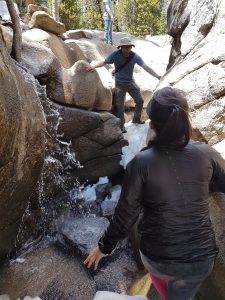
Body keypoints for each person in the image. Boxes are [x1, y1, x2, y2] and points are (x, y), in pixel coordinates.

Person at [84, 87, 225, 300]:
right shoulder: (206, 153)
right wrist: (201, 185)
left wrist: (103, 248)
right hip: (202, 260)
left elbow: (125, 216)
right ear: (185, 120)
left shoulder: (141, 163)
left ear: (152, 125)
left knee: (169, 286)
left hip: (160, 260)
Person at [87, 36, 161, 133]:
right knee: (120, 105)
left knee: (140, 100)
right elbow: (104, 62)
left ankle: (136, 119)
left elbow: (146, 67)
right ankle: (122, 126)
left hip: (130, 82)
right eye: (125, 47)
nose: (127, 49)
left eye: (129, 47)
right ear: (121, 47)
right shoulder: (115, 55)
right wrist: (93, 66)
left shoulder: (134, 56)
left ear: (131, 47)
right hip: (120, 83)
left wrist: (157, 76)